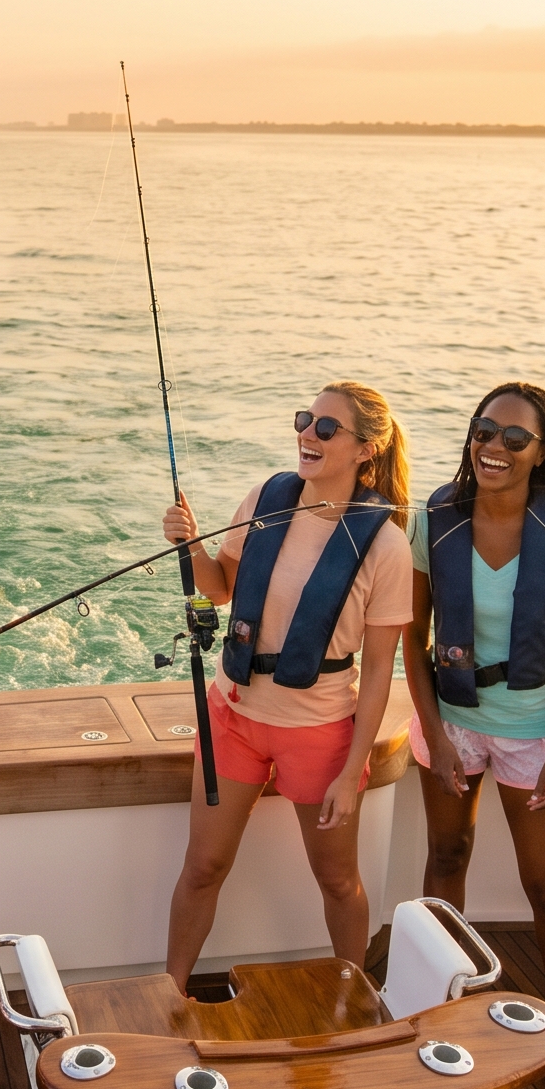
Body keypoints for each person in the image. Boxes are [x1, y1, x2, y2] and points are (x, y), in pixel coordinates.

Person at [158, 382, 413, 988]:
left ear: (365, 449)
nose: (308, 434)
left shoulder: (387, 545)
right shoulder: (264, 498)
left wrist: (351, 773)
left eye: (327, 428)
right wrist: (186, 543)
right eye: (305, 420)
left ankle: (354, 1001)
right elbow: (219, 588)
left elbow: (380, 670)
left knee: (337, 880)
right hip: (233, 716)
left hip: (318, 732)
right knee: (202, 867)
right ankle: (169, 1000)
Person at [401, 383, 545, 1080]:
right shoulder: (437, 519)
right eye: (484, 432)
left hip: (531, 729)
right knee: (447, 854)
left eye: (514, 439)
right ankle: (436, 1009)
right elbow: (412, 638)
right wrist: (433, 736)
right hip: (451, 719)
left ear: (541, 452)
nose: (493, 447)